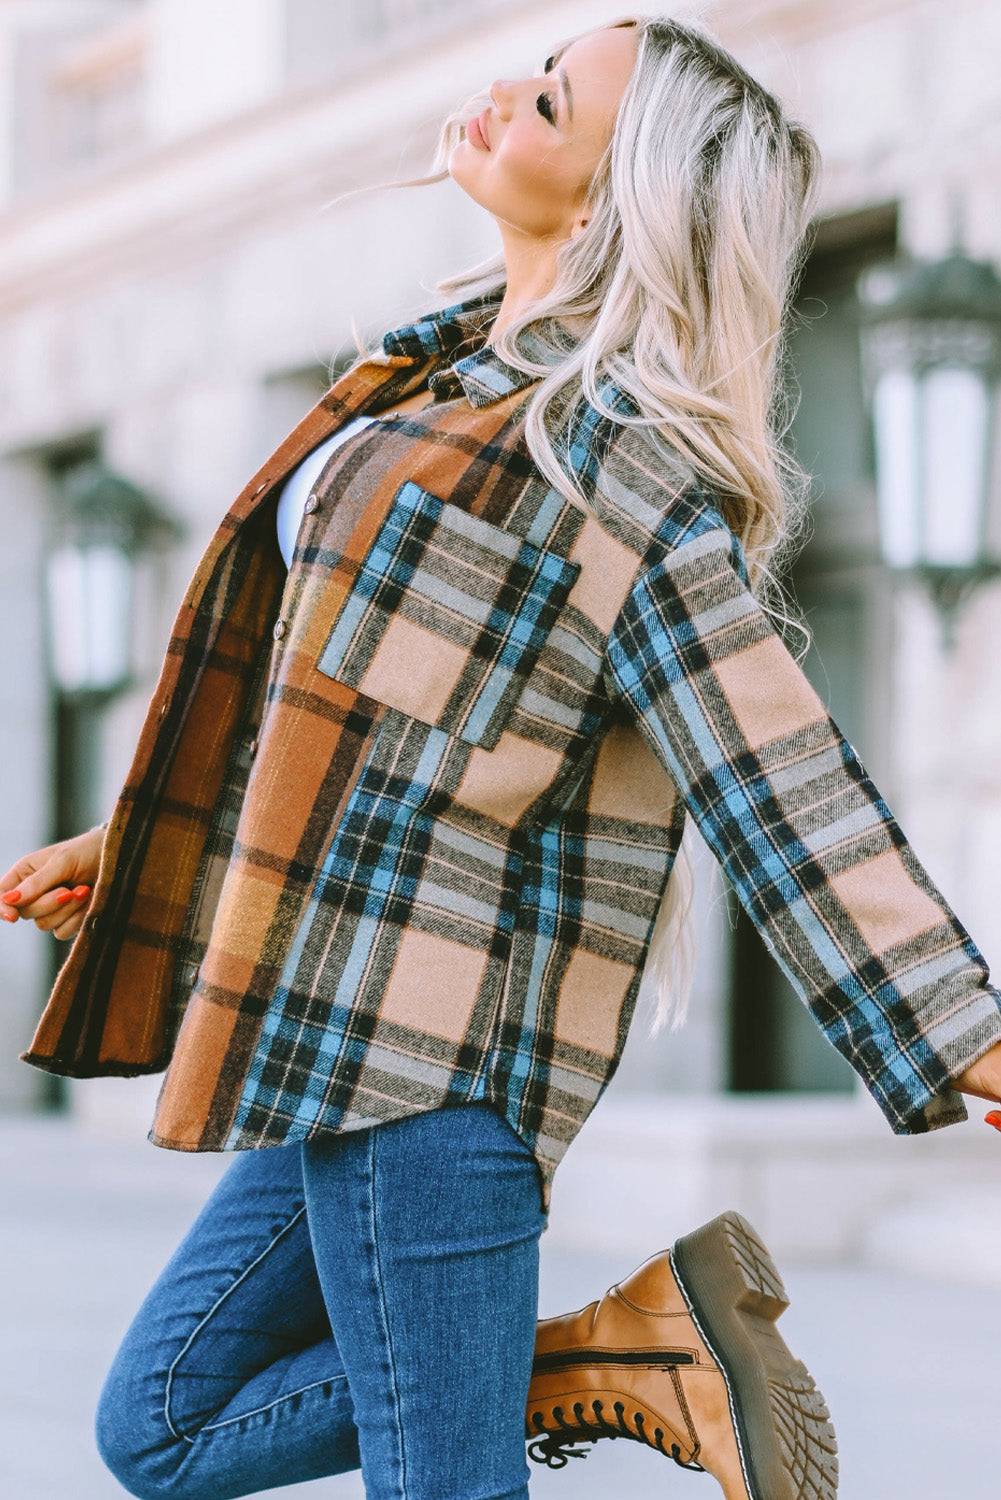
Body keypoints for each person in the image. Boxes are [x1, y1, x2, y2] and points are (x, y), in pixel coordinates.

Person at [5, 12, 1001, 1500]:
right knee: (158, 1421)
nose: (494, 100)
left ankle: (632, 1354)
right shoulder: (434, 380)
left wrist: (962, 1031)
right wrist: (151, 851)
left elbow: (775, 770)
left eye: (544, 103)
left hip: (439, 1070)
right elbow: (342, 726)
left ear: (611, 199)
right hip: (329, 1035)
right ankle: (630, 1353)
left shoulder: (618, 461)